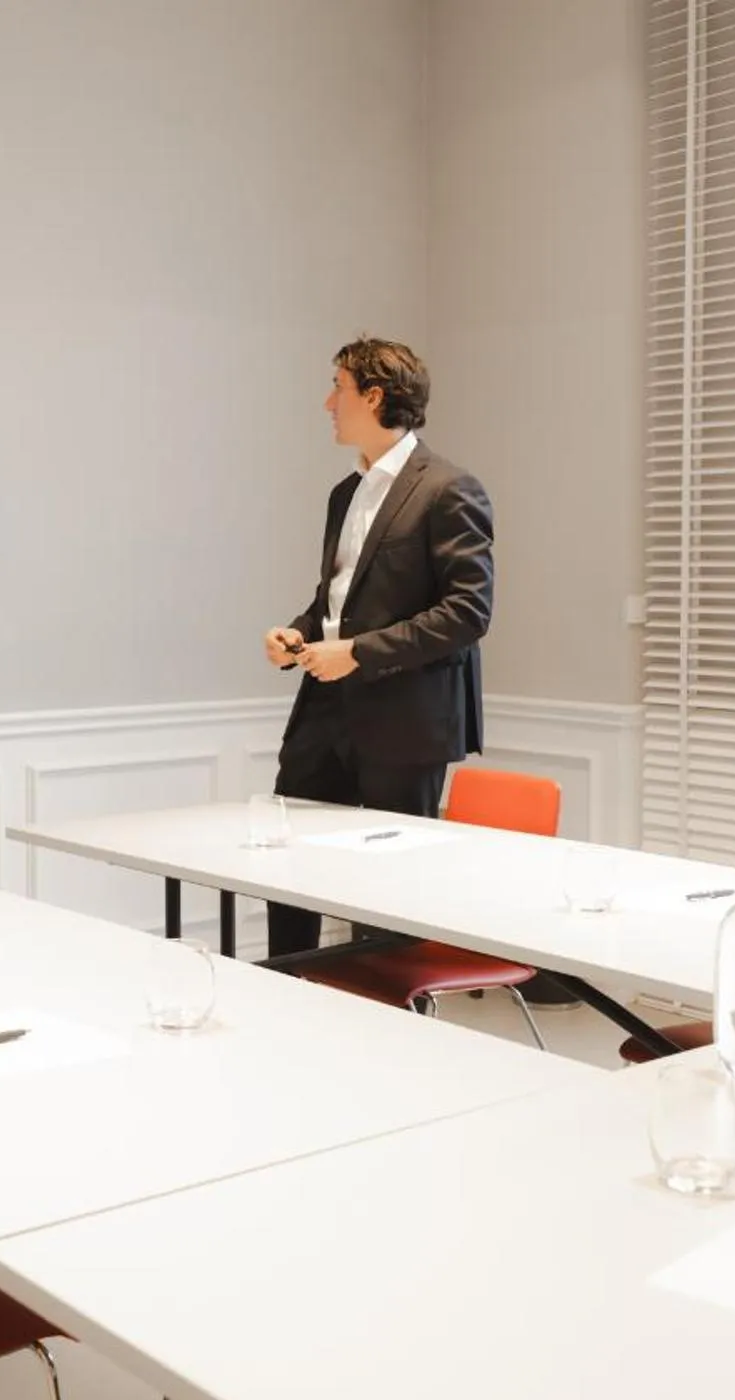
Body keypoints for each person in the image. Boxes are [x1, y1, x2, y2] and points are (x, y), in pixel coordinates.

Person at [262, 336, 494, 958]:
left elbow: (468, 613)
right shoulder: (345, 493)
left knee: (392, 892)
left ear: (374, 395)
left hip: (406, 720)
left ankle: (395, 1024)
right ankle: (286, 994)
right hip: (324, 708)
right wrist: (298, 634)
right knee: (291, 868)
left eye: (337, 387)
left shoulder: (449, 489)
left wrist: (358, 653)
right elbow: (337, 602)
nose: (326, 402)